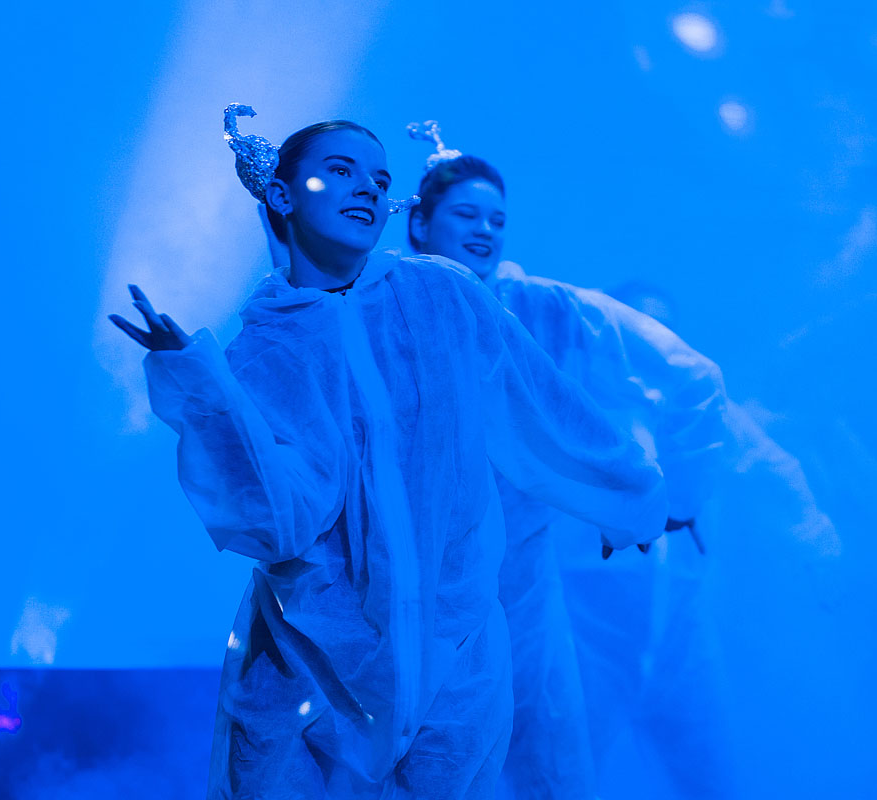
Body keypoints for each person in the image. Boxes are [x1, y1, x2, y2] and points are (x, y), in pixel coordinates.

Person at [109, 104, 669, 800]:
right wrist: (202, 387)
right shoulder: (264, 351)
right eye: (340, 171)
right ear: (281, 194)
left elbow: (540, 403)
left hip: (456, 660)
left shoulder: (441, 297)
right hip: (310, 666)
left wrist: (630, 498)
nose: (367, 189)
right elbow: (278, 520)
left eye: (379, 179)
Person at [405, 123, 730, 799]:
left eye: (497, 219)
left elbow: (696, 378)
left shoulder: (550, 310)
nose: (485, 230)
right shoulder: (380, 311)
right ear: (418, 224)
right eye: (466, 214)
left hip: (526, 601)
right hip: (412, 596)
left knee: (551, 776)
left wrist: (666, 505)